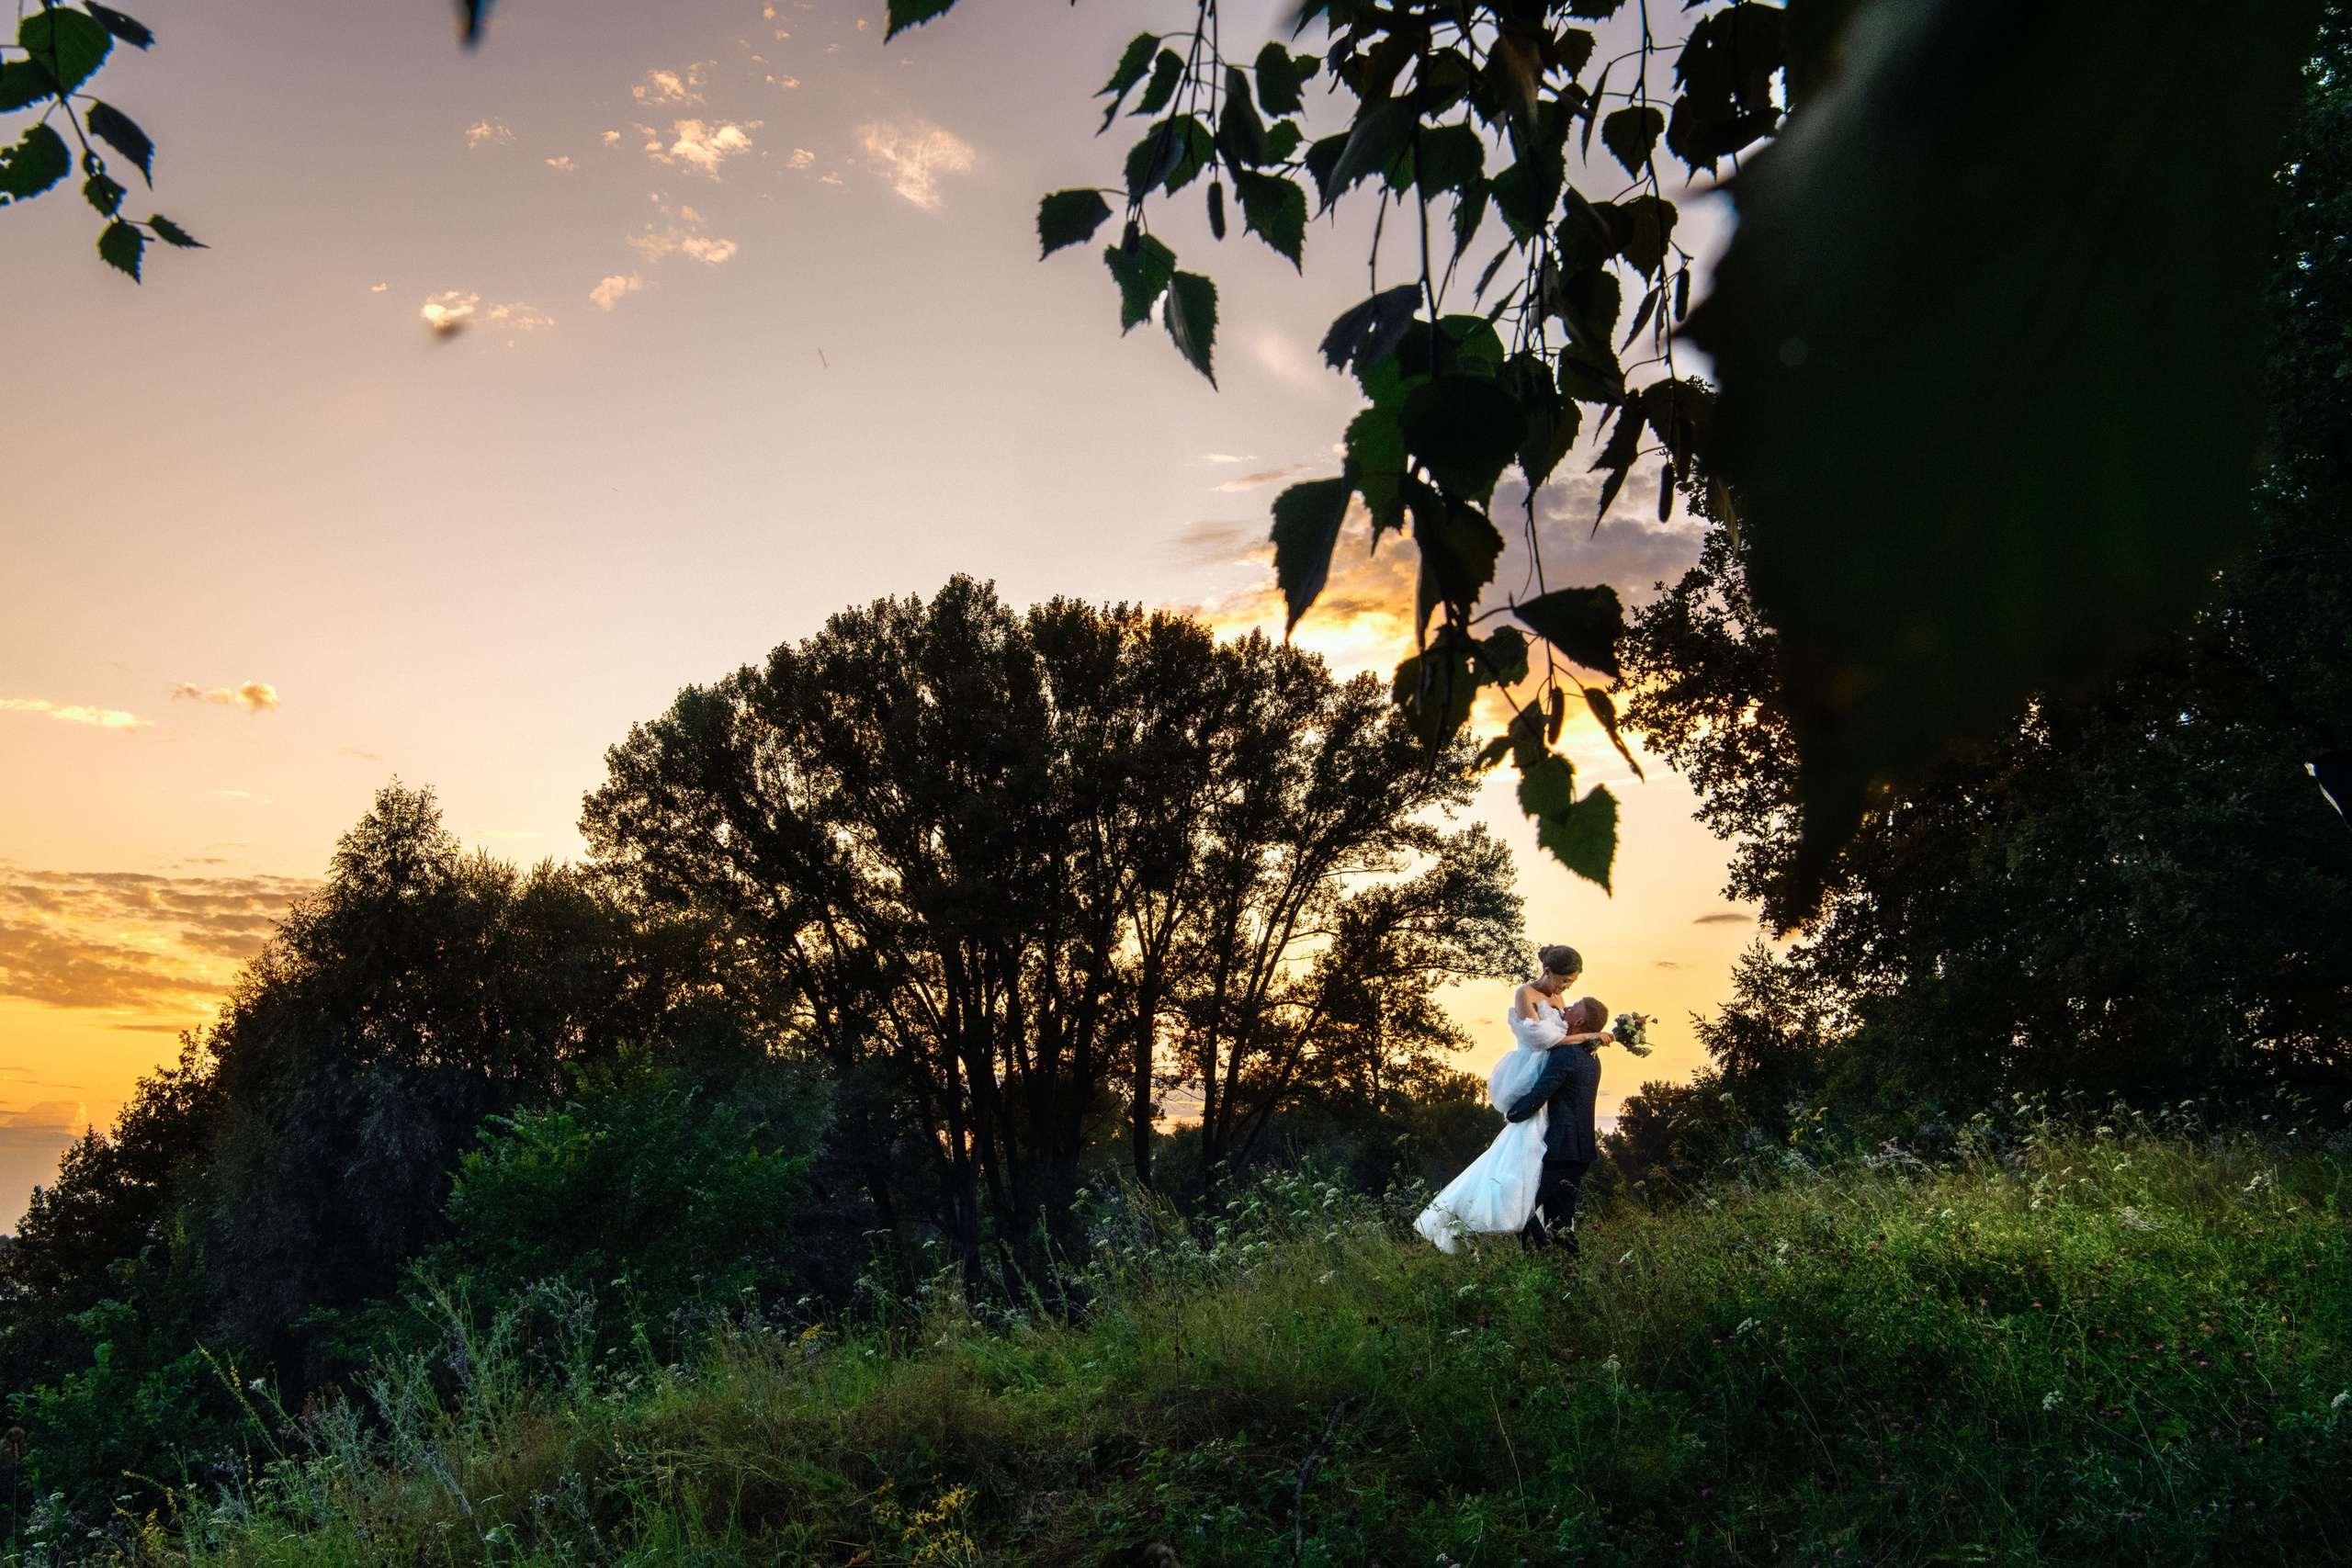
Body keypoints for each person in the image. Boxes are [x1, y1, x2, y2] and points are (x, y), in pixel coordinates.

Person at [1411, 945, 1611, 1252]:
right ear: (1549, 971)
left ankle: (1541, 1253)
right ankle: (1549, 1257)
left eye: (1571, 984)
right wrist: (1586, 1038)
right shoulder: (1526, 995)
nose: (1566, 990)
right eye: (1565, 981)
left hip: (1554, 1088)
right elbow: (1541, 1038)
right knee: (1541, 1202)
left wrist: (1586, 1040)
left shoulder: (1570, 1034)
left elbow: (1566, 1035)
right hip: (1532, 1065)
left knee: (1525, 1201)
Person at [1504, 992, 1611, 1254]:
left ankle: (1539, 1256)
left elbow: (1543, 1091)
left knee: (1522, 1209)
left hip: (1560, 1149)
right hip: (1580, 1151)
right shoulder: (1591, 1058)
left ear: (1581, 1022)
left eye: (1574, 1007)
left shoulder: (1568, 1054)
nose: (1567, 1008)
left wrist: (1513, 1114)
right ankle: (1570, 1270)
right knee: (1560, 1220)